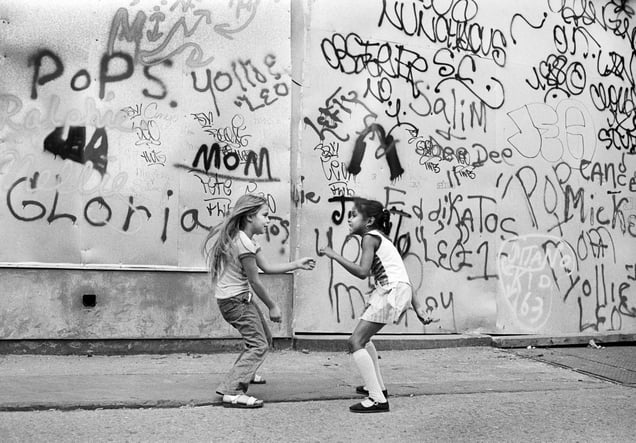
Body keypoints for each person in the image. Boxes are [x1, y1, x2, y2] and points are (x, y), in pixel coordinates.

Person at [319, 197, 432, 413]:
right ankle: (378, 387)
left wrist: (334, 255)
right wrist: (418, 307)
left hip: (391, 291)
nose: (349, 219)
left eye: (353, 215)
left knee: (355, 342)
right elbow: (404, 275)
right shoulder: (384, 238)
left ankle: (377, 399)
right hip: (396, 289)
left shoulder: (369, 238)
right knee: (364, 339)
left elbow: (362, 272)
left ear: (369, 221)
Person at [204, 194, 315, 408]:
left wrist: (297, 264)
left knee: (263, 337)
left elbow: (268, 267)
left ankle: (245, 372)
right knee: (258, 344)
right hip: (235, 301)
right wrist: (273, 306)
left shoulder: (247, 240)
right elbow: (255, 281)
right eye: (264, 215)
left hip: (237, 299)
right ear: (249, 217)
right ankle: (233, 391)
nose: (268, 220)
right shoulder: (243, 244)